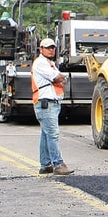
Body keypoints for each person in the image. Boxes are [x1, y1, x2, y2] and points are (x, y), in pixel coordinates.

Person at [31, 38, 73, 175]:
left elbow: (61, 78)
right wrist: (60, 78)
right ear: (41, 49)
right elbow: (57, 78)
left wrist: (61, 78)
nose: (51, 50)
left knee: (46, 135)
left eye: (53, 47)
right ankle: (58, 164)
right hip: (46, 103)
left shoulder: (51, 64)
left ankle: (45, 165)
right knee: (53, 134)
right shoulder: (40, 63)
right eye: (48, 47)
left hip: (50, 103)